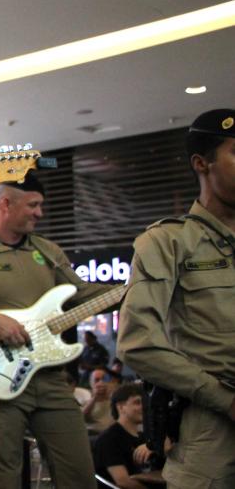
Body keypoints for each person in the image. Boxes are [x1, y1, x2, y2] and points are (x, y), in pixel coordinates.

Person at [0, 172, 119, 488]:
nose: (39, 213)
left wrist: (132, 290)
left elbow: (81, 296)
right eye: (33, 205)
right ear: (5, 203)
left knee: (79, 475)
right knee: (3, 477)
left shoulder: (48, 251)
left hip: (52, 379)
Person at [117, 108, 235, 489]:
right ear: (202, 163)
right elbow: (137, 344)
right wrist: (226, 400)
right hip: (212, 428)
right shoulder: (168, 242)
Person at [93, 383, 156, 489]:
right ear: (121, 407)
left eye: (145, 402)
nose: (144, 407)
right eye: (137, 402)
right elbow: (123, 481)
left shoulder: (144, 436)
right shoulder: (108, 439)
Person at [83, 367, 118, 434]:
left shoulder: (115, 399)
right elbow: (82, 418)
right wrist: (95, 398)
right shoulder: (85, 399)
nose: (101, 382)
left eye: (104, 379)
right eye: (97, 380)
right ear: (91, 383)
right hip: (93, 433)